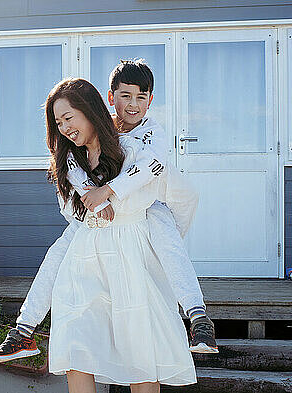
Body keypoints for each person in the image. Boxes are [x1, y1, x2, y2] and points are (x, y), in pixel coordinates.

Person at [0, 60, 217, 365]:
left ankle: (199, 319)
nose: (131, 105)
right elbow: (74, 177)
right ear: (110, 99)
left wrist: (108, 192)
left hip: (159, 204)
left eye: (140, 97)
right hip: (109, 219)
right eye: (124, 96)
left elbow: (152, 166)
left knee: (168, 242)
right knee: (56, 254)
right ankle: (23, 330)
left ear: (150, 100)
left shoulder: (150, 135)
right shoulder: (95, 133)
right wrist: (92, 200)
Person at [52, 78, 196, 391]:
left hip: (130, 254)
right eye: (58, 121)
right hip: (86, 257)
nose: (63, 127)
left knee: (139, 351)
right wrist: (91, 198)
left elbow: (183, 195)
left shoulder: (137, 149)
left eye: (68, 118)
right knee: (77, 343)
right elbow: (71, 212)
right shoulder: (71, 161)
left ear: (91, 111)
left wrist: (164, 239)